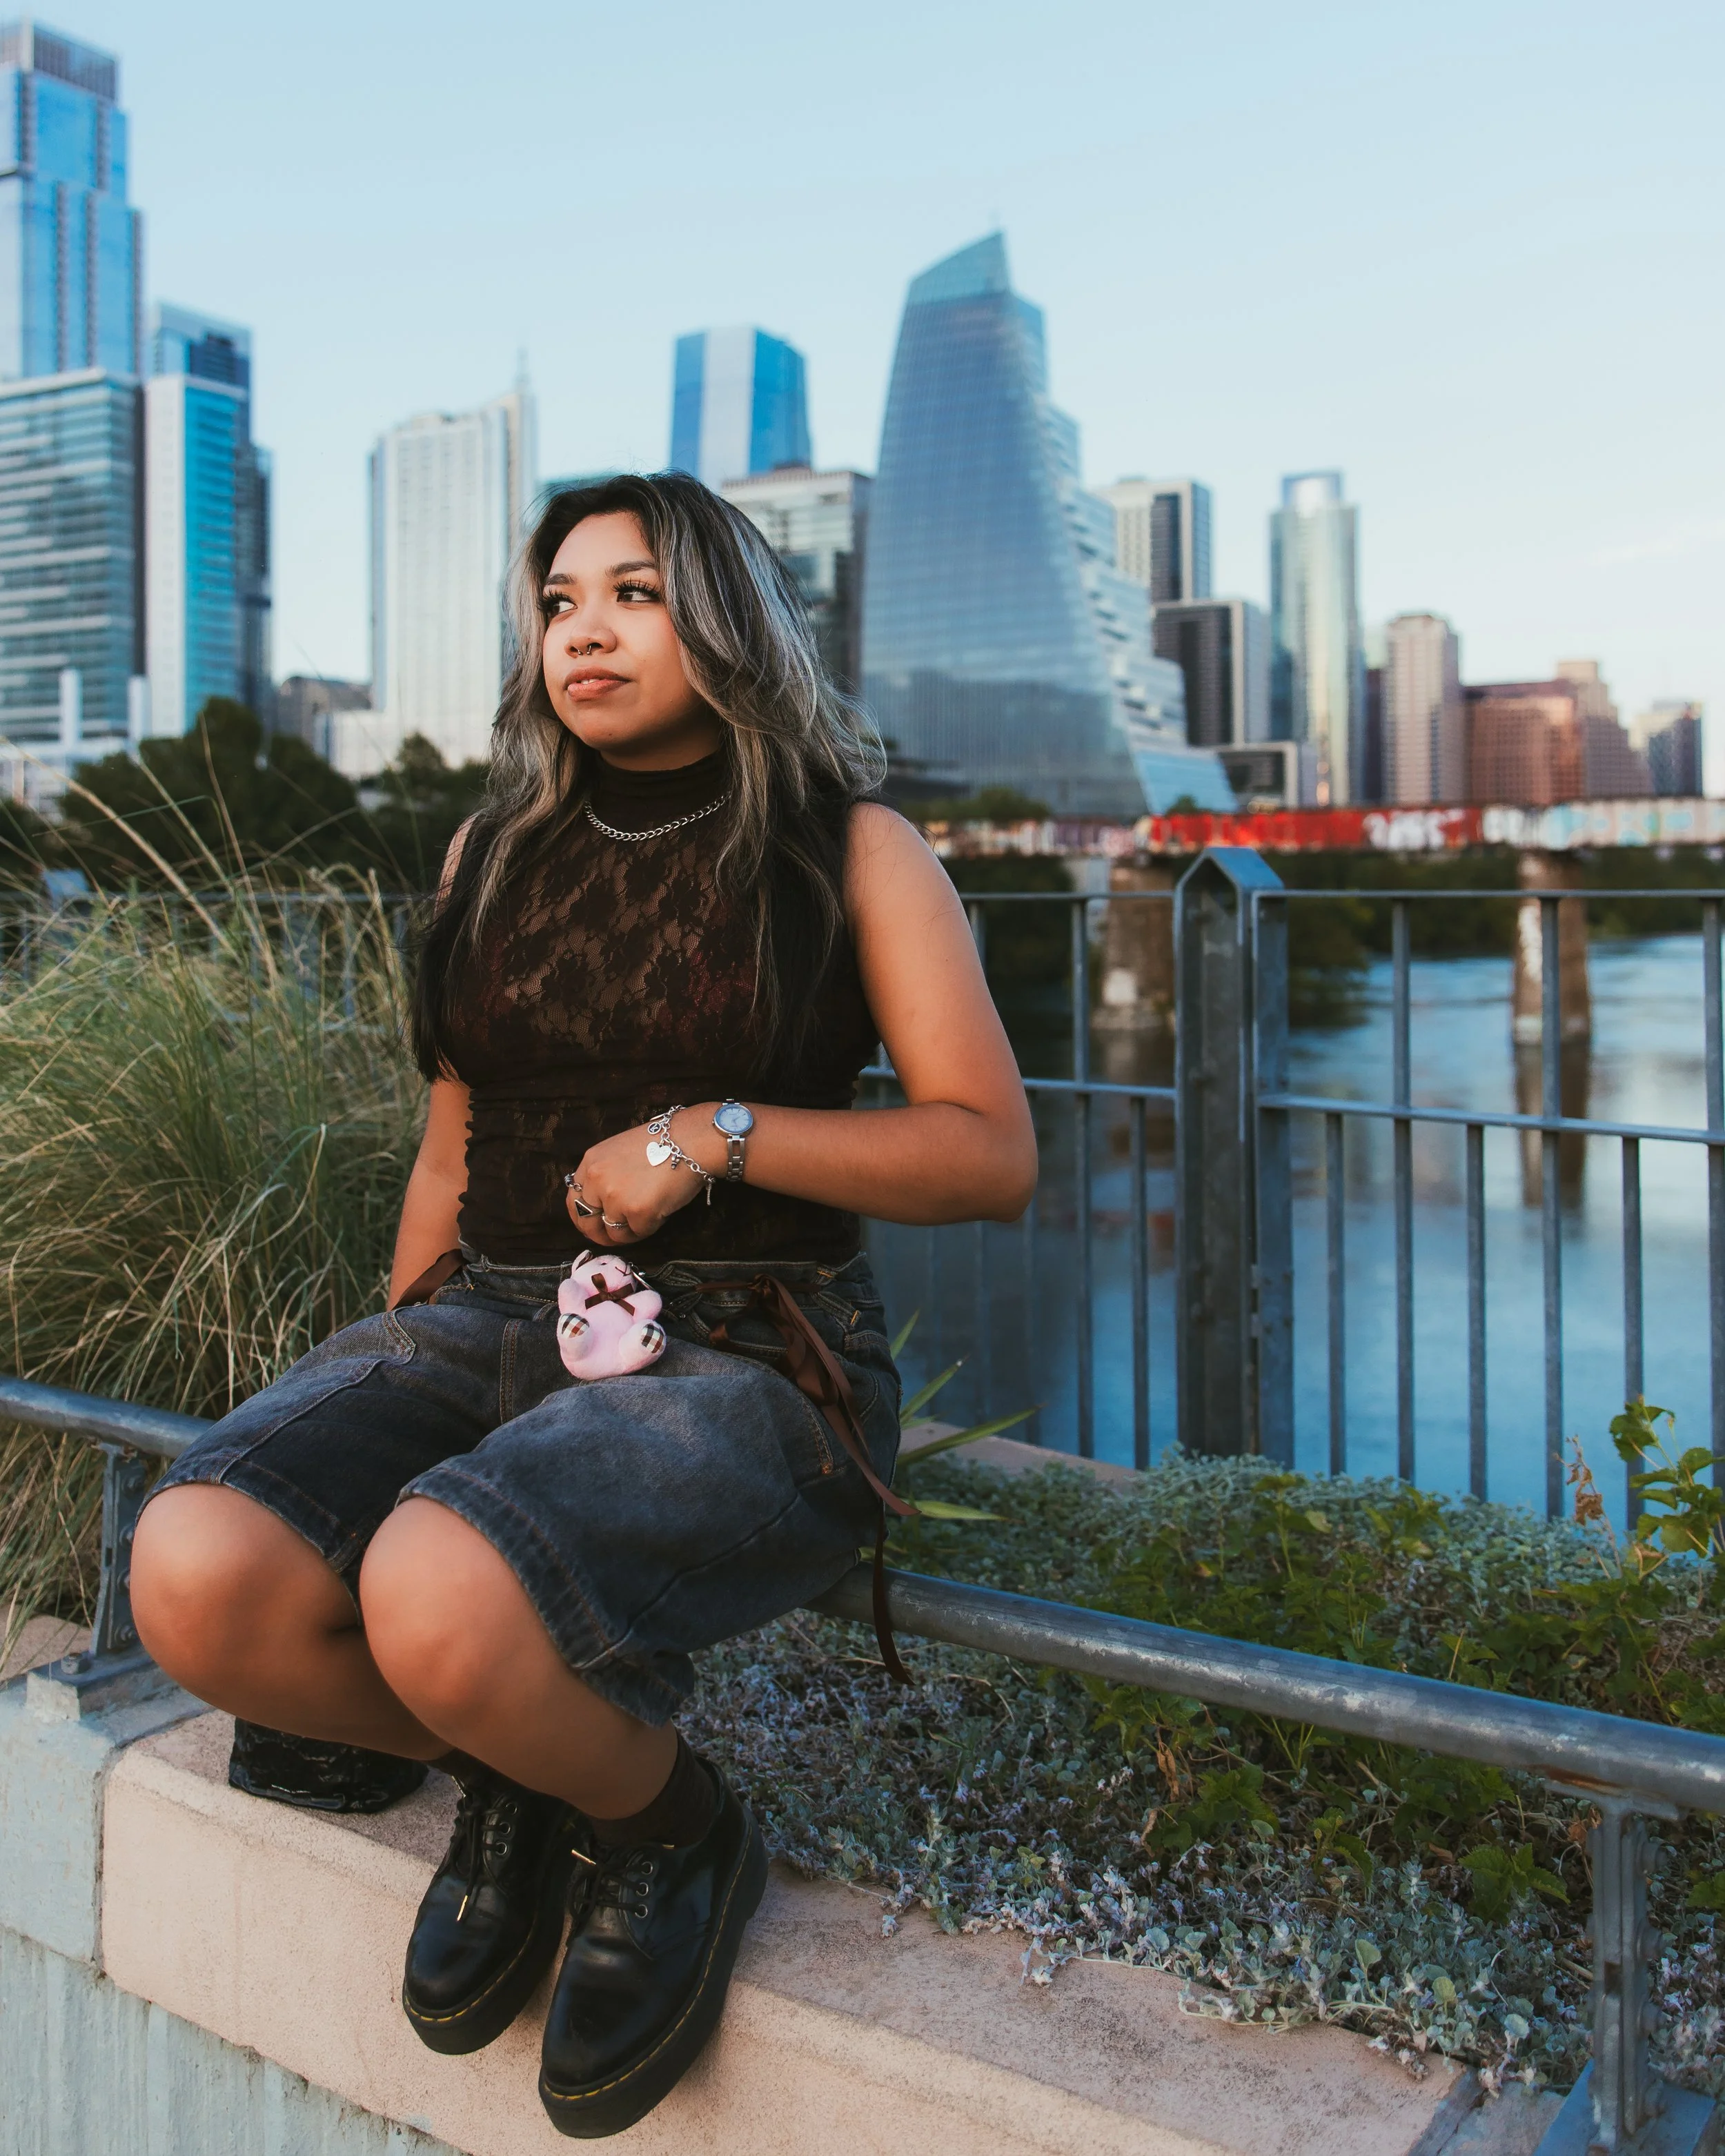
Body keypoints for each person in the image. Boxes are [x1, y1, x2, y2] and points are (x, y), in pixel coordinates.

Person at [129, 473, 1038, 2138]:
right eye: (560, 601)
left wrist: (717, 1133)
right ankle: (524, 1761)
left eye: (633, 591)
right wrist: (385, 1357)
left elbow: (988, 1154)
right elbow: (450, 1148)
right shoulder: (492, 849)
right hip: (489, 1310)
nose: (587, 630)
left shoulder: (849, 847)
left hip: (751, 1343)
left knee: (437, 1580)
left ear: (728, 620)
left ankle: (664, 1819)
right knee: (199, 1572)